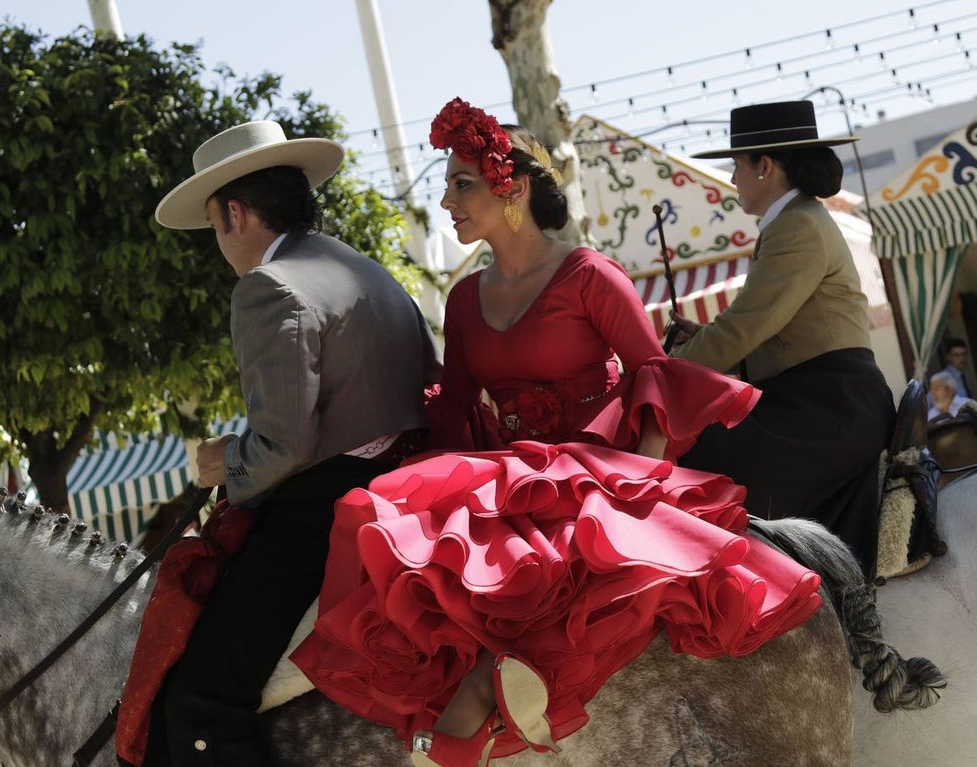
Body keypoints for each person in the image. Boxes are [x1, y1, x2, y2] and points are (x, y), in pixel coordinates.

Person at [290, 98, 823, 767]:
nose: (447, 201)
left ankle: (475, 712)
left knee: (565, 553)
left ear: (511, 188)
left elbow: (654, 377)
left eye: (462, 184)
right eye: (447, 186)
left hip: (601, 473)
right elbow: (453, 413)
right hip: (512, 479)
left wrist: (639, 488)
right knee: (384, 520)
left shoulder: (590, 274)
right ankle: (464, 711)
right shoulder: (462, 299)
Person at [142, 120, 441, 766]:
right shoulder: (371, 270)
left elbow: (283, 446)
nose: (220, 241)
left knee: (200, 701)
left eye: (215, 225)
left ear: (235, 214)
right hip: (415, 486)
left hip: (324, 511)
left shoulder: (268, 285)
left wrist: (225, 462)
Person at [668, 100, 895, 581]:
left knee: (700, 461)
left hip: (828, 408)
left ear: (765, 167)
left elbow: (743, 328)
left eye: (736, 165)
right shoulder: (795, 220)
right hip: (818, 402)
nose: (733, 178)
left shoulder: (796, 225)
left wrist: (665, 368)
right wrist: (700, 341)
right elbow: (760, 332)